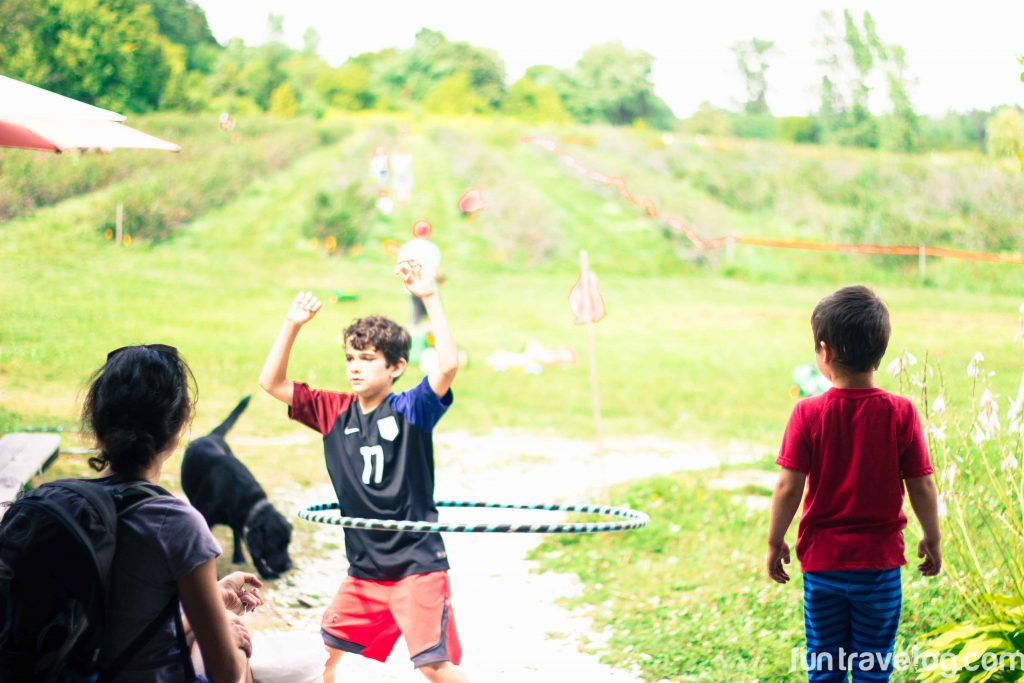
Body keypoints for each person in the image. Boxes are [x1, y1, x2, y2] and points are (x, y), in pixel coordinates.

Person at [258, 262, 468, 683]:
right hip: (365, 571)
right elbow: (270, 381)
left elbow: (446, 366)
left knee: (433, 665)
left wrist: (429, 297)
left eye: (368, 359)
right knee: (324, 659)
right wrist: (292, 324)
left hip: (417, 566)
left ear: (395, 367)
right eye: (350, 358)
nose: (354, 367)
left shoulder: (411, 409)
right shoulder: (332, 411)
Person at [766, 286, 942, 682]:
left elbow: (787, 487)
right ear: (879, 353)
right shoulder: (901, 412)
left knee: (824, 663)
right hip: (878, 568)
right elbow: (923, 486)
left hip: (823, 566)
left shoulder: (807, 413)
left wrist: (775, 540)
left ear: (824, 352)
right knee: (872, 666)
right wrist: (933, 537)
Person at [84, 344, 257, 683]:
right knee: (238, 649)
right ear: (177, 426)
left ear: (97, 421)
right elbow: (225, 673)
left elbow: (114, 624)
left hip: (70, 671)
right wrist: (226, 627)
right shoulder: (177, 524)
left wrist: (211, 600)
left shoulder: (63, 503)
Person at [396, 220, 443, 332]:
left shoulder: (407, 247)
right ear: (429, 232)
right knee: (433, 318)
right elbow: (433, 271)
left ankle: (412, 341)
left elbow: (402, 267)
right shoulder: (432, 248)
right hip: (428, 288)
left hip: (412, 287)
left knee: (414, 319)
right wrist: (441, 280)